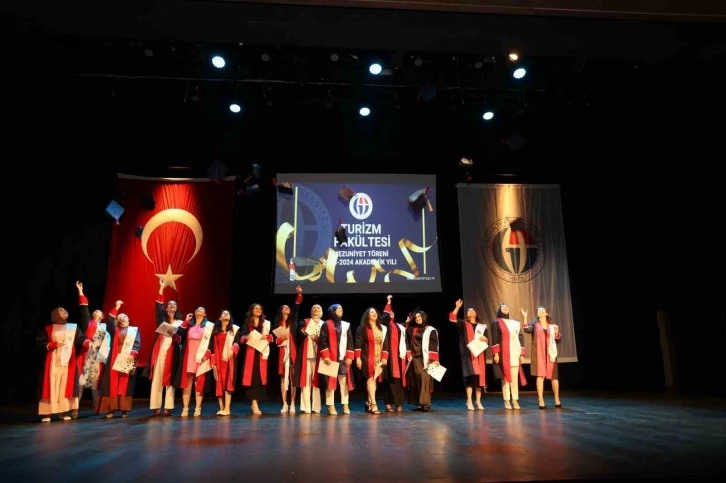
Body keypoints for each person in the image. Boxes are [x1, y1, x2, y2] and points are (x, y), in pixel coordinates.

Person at [37, 304, 87, 422]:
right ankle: (47, 413)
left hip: (68, 360)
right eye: (60, 310)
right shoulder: (49, 328)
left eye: (64, 309)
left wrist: (87, 342)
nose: (64, 311)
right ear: (55, 314)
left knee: (64, 384)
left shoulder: (73, 328)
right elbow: (39, 341)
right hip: (53, 360)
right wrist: (51, 344)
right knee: (51, 384)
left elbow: (80, 339)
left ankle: (63, 412)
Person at [143, 279, 184, 416]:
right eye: (169, 304)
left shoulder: (180, 323)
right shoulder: (162, 321)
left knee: (169, 379)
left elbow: (181, 339)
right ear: (166, 309)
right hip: (160, 351)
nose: (172, 306)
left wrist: (175, 336)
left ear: (176, 309)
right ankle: (156, 406)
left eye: (174, 305)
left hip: (172, 352)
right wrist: (161, 288)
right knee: (157, 378)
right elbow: (158, 307)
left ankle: (168, 407)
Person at [96, 300, 141, 418]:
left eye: (125, 316)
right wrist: (116, 307)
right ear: (118, 320)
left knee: (124, 383)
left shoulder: (134, 330)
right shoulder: (114, 330)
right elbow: (109, 321)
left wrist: (132, 354)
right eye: (121, 316)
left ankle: (124, 409)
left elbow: (137, 344)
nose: (123, 317)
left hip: (128, 357)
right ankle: (111, 409)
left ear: (129, 320)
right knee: (112, 383)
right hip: (115, 357)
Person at [75, 281, 111, 417]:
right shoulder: (88, 323)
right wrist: (80, 292)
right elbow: (84, 310)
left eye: (99, 311)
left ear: (102, 316)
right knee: (80, 383)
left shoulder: (105, 328)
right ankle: (75, 408)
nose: (96, 311)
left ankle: (98, 407)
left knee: (95, 384)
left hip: (97, 358)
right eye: (94, 311)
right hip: (85, 356)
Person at [448, 299, 488, 410]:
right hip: (468, 354)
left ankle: (478, 401)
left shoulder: (482, 326)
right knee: (470, 377)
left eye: (472, 310)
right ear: (466, 314)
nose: (471, 312)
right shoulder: (463, 324)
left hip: (480, 354)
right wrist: (457, 307)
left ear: (476, 313)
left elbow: (487, 340)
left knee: (479, 379)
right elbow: (452, 319)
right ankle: (469, 400)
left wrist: (485, 339)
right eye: (469, 310)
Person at [175, 307, 213, 417]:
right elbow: (179, 335)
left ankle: (198, 407)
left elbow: (211, 342)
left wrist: (206, 355)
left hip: (201, 355)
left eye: (201, 309)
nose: (198, 310)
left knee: (199, 382)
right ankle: (185, 408)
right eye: (197, 309)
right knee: (187, 382)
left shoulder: (208, 326)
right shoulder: (189, 325)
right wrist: (186, 320)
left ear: (205, 314)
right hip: (189, 354)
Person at [522, 306, 562, 408]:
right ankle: (540, 400)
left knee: (554, 377)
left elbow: (558, 340)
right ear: (538, 314)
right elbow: (527, 329)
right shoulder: (535, 325)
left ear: (546, 313)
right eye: (539, 310)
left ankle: (557, 398)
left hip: (551, 353)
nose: (540, 311)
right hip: (539, 354)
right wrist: (525, 317)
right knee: (540, 376)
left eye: (542, 310)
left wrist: (556, 333)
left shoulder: (552, 326)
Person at [318, 304, 355, 415]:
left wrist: (350, 357)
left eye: (341, 308)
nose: (341, 310)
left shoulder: (346, 325)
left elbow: (350, 341)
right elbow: (323, 340)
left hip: (343, 357)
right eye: (338, 308)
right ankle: (331, 405)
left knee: (344, 382)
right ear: (332, 311)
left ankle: (345, 404)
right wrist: (326, 355)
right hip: (330, 358)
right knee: (330, 383)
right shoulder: (326, 324)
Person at [238, 303, 273, 414]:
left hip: (261, 352)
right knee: (252, 377)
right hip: (251, 352)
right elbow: (242, 337)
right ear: (251, 310)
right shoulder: (247, 322)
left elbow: (271, 336)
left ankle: (256, 403)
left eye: (260, 309)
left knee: (259, 377)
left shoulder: (265, 323)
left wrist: (267, 337)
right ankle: (254, 404)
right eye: (256, 308)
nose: (258, 310)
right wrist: (247, 336)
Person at [490, 303, 526, 410]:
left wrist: (522, 354)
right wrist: (496, 354)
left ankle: (515, 400)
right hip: (503, 354)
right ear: (499, 310)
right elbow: (495, 339)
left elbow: (520, 338)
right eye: (503, 307)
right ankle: (506, 400)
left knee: (514, 378)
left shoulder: (515, 323)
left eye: (506, 307)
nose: (505, 308)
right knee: (505, 379)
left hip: (514, 352)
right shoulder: (496, 323)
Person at [355, 306, 390, 414]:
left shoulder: (382, 328)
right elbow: (358, 344)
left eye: (375, 312)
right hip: (367, 357)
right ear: (367, 315)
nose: (374, 313)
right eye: (371, 312)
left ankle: (369, 403)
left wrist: (384, 358)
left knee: (374, 381)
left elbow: (386, 345)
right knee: (370, 378)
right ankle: (374, 404)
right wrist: (358, 358)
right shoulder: (362, 328)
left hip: (378, 358)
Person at [206, 310, 240, 416]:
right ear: (219, 318)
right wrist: (212, 360)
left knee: (228, 382)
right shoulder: (215, 331)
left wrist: (233, 350)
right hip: (218, 359)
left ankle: (227, 408)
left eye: (228, 313)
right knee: (219, 382)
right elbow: (211, 345)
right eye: (223, 313)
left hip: (229, 359)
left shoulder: (234, 329)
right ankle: (221, 407)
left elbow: (237, 342)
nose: (226, 314)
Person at [275, 285, 303, 413]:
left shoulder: (293, 321)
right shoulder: (277, 324)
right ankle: (284, 403)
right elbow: (275, 339)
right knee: (283, 378)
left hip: (293, 352)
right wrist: (282, 338)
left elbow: (296, 307)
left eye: (288, 307)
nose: (287, 308)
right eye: (284, 307)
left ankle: (292, 403)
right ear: (281, 311)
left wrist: (299, 294)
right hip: (282, 352)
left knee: (293, 378)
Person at [405, 309, 439, 411]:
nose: (418, 318)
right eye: (416, 317)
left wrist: (434, 359)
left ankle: (425, 402)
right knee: (416, 380)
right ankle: (419, 403)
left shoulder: (430, 330)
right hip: (414, 358)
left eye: (420, 316)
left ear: (424, 317)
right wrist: (408, 353)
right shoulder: (412, 329)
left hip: (425, 358)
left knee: (425, 379)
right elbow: (406, 341)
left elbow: (433, 345)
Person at [293, 303, 325, 414]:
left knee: (316, 382)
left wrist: (318, 340)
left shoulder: (324, 324)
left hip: (319, 356)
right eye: (313, 308)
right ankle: (306, 406)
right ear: (311, 312)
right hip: (307, 355)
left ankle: (316, 407)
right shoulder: (305, 322)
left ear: (321, 312)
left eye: (318, 308)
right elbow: (299, 334)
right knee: (306, 381)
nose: (316, 309)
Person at [381, 295, 406, 412]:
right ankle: (388, 403)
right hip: (387, 356)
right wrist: (388, 303)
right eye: (388, 312)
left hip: (399, 357)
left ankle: (399, 403)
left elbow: (405, 340)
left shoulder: (399, 326)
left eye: (392, 311)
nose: (390, 313)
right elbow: (385, 316)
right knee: (387, 380)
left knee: (398, 381)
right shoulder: (383, 326)